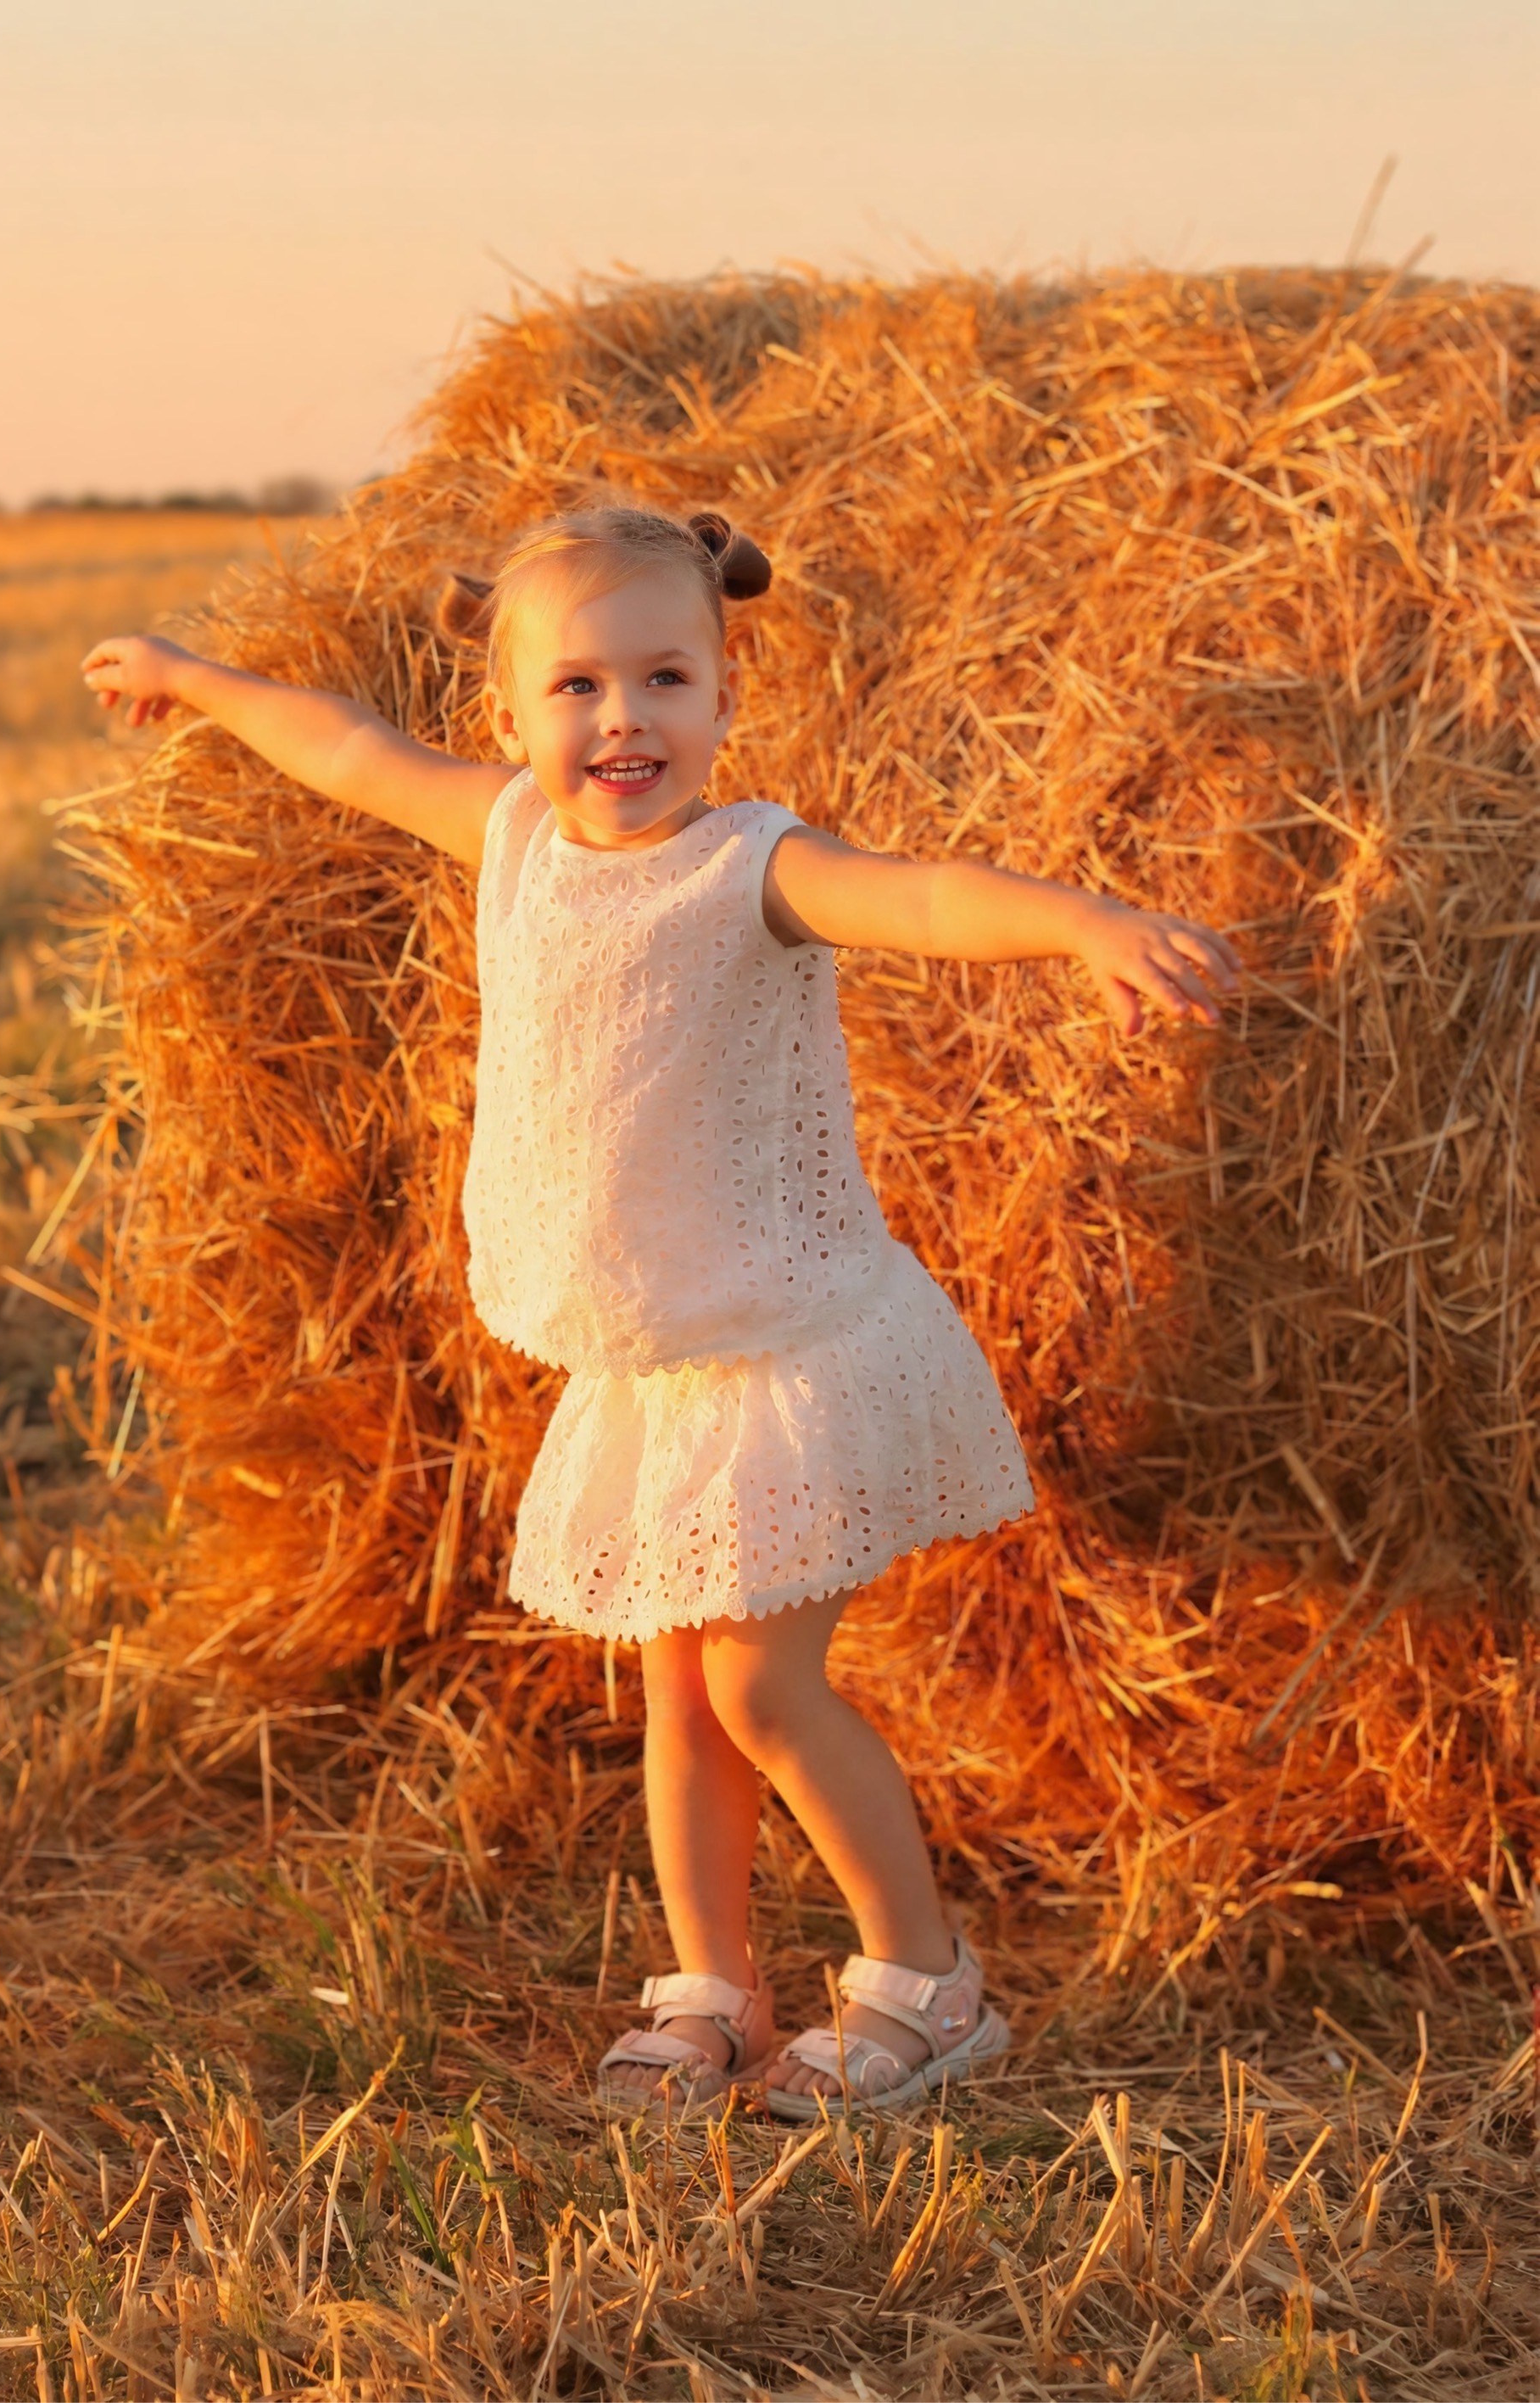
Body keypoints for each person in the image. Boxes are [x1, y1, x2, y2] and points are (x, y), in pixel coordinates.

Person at [81, 504, 1240, 2120]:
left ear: (721, 698)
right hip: (656, 1363)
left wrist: (1081, 922)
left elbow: (918, 898)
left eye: (663, 679)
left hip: (785, 1346)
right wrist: (194, 677)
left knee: (762, 1690)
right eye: (576, 686)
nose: (620, 717)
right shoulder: (511, 838)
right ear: (508, 715)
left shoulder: (750, 865)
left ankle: (928, 1982)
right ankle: (715, 1990)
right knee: (677, 1696)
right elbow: (345, 747)